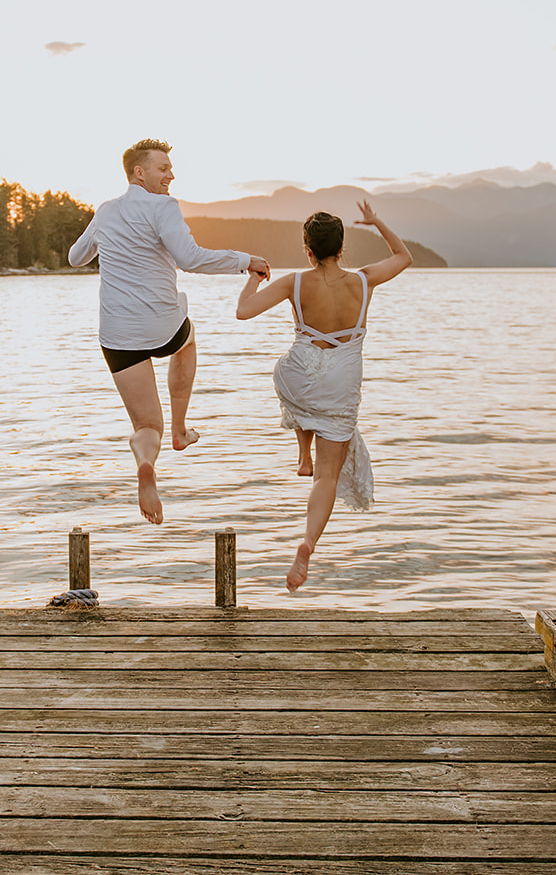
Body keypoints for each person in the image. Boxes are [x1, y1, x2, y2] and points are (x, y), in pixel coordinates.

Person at [69, 138, 272, 524]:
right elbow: (190, 258)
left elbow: (75, 258)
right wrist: (247, 261)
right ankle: (180, 429)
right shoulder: (164, 207)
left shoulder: (106, 211)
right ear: (139, 172)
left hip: (117, 335)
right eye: (163, 168)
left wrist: (102, 236)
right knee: (188, 339)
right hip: (163, 326)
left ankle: (146, 461)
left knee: (146, 426)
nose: (171, 175)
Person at [235, 201, 413, 589]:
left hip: (299, 376)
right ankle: (308, 542)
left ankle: (302, 455)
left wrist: (254, 276)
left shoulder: (295, 282)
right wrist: (378, 220)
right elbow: (404, 256)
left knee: (295, 386)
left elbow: (243, 311)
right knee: (327, 475)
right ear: (341, 247)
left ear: (308, 249)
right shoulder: (364, 281)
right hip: (340, 384)